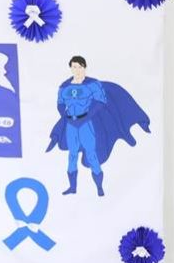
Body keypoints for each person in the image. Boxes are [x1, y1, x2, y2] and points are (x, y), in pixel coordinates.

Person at [46, 56, 151, 197]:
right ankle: (72, 187)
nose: (77, 70)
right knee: (72, 156)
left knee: (92, 155)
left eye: (79, 67)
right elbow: (60, 104)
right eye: (74, 67)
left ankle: (99, 187)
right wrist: (66, 116)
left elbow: (100, 102)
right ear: (71, 68)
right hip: (71, 125)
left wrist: (85, 117)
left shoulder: (93, 85)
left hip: (86, 125)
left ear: (84, 67)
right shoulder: (64, 86)